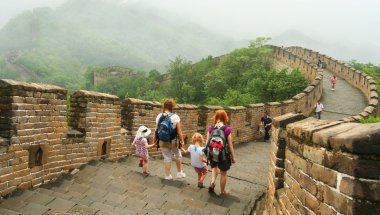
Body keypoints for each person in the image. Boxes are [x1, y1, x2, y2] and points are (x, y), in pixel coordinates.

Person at [153, 99, 186, 180]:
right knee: (178, 155)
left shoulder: (159, 116)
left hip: (162, 140)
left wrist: (154, 139)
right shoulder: (175, 117)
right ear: (172, 107)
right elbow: (179, 131)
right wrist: (182, 140)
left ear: (164, 106)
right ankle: (179, 173)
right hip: (173, 140)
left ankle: (167, 176)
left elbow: (156, 129)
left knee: (167, 158)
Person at [206, 110, 236, 195]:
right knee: (223, 173)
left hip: (212, 153)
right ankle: (223, 191)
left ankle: (212, 182)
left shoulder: (211, 128)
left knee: (214, 168)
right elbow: (230, 145)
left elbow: (207, 142)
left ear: (215, 117)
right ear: (225, 117)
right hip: (223, 155)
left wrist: (207, 154)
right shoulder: (227, 129)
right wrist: (233, 157)